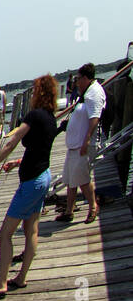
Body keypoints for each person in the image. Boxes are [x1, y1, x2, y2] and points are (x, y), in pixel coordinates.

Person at [0, 75, 59, 300]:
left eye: (34, 90)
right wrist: (18, 163)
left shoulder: (33, 116)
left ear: (39, 93)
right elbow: (40, 151)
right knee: (31, 228)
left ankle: (1, 283)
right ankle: (21, 277)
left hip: (32, 183)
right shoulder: (51, 118)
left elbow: (12, 142)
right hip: (43, 176)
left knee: (4, 234)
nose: (32, 93)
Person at [59, 62, 105, 225]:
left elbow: (94, 118)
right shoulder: (85, 92)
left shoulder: (94, 94)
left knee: (83, 179)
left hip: (83, 145)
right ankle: (69, 211)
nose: (77, 82)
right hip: (75, 145)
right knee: (71, 179)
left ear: (86, 78)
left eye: (79, 79)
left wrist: (86, 140)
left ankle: (93, 207)